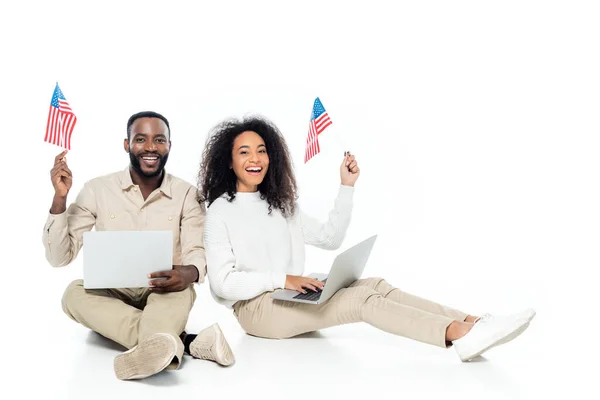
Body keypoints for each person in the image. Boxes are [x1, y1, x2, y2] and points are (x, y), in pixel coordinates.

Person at [197, 115, 535, 362]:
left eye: (261, 151)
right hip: (257, 311)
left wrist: (346, 187)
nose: (255, 159)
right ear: (229, 161)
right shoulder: (219, 213)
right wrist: (283, 278)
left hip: (289, 295)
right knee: (358, 302)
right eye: (244, 152)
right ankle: (459, 336)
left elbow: (330, 239)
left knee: (376, 285)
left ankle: (472, 321)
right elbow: (224, 285)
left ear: (272, 157)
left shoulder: (282, 205)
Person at [44, 111, 235, 381]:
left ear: (169, 146)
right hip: (113, 291)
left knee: (181, 294)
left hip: (166, 288)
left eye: (159, 140)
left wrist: (189, 273)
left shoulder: (187, 194)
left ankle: (154, 347)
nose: (150, 147)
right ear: (127, 145)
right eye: (140, 139)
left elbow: (196, 249)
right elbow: (58, 257)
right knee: (72, 294)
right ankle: (183, 342)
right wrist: (59, 199)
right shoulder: (97, 189)